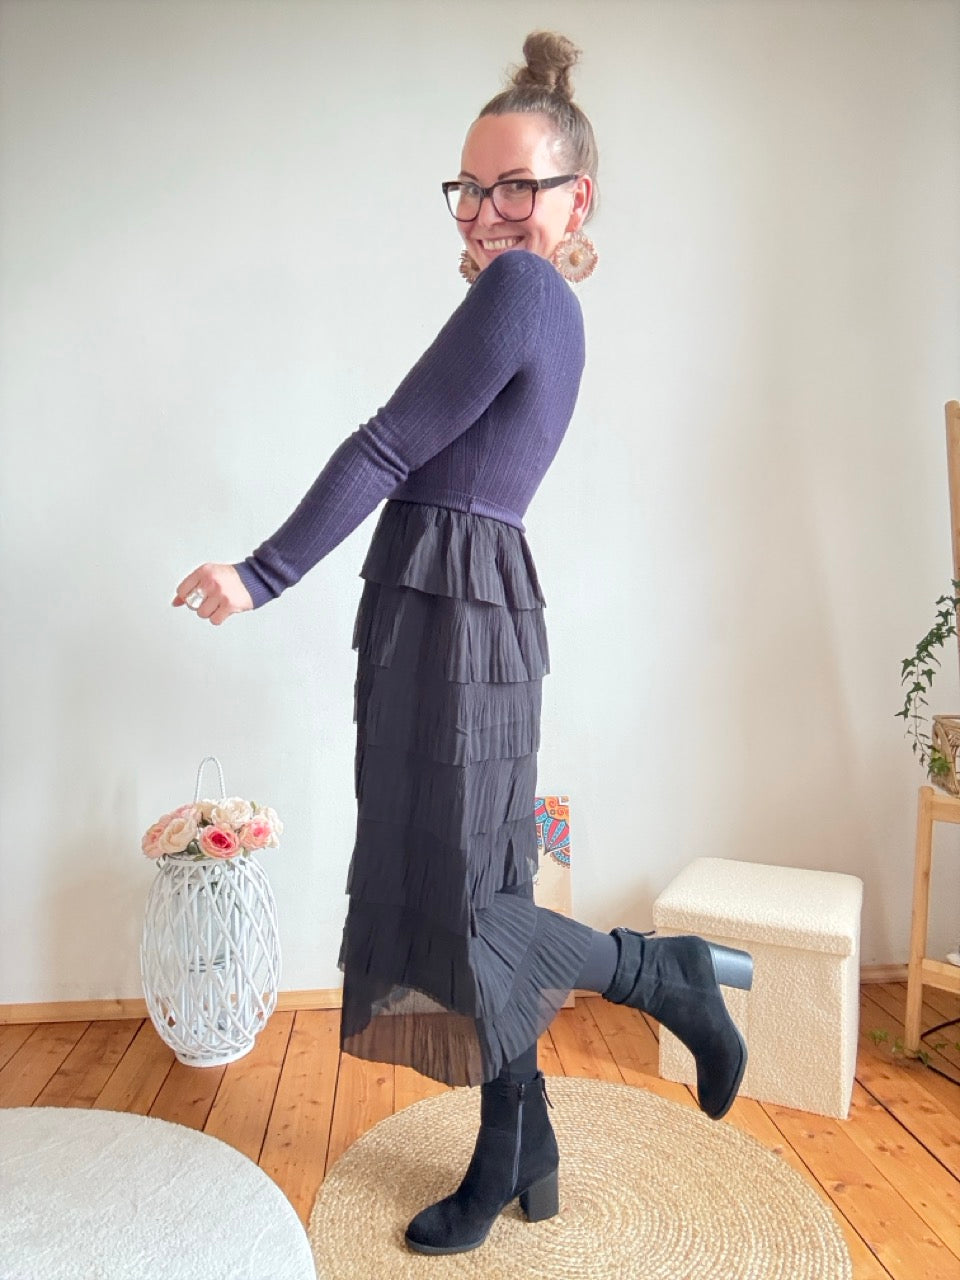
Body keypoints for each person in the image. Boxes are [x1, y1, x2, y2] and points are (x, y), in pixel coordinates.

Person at [172, 31, 754, 1257]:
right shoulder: (535, 301)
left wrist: (261, 571)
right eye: (471, 188)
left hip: (456, 609)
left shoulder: (524, 294)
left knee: (470, 904)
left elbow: (388, 445)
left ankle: (666, 972)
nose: (487, 213)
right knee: (475, 886)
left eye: (516, 187)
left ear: (577, 198)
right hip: (452, 599)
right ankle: (520, 1144)